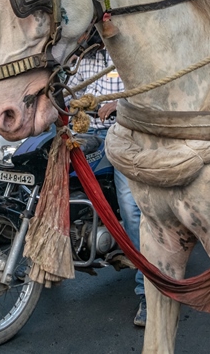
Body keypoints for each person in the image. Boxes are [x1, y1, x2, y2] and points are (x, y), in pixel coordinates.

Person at [67, 33, 146, 327]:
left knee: (130, 207)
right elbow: (66, 96)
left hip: (123, 134)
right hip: (84, 136)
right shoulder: (78, 61)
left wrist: (121, 105)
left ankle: (148, 293)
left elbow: (148, 91)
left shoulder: (127, 48)